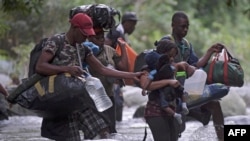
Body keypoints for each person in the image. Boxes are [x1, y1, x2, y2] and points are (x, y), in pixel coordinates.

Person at [35, 13, 142, 141]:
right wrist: (66, 69)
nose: (86, 37)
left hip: (79, 100)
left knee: (103, 131)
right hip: (59, 102)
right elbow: (40, 66)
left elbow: (103, 69)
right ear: (74, 28)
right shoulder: (56, 41)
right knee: (71, 137)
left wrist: (133, 75)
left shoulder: (83, 48)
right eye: (83, 33)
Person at [161, 11, 225, 140]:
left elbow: (195, 65)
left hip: (186, 89)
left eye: (187, 27)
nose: (185, 29)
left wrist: (210, 51)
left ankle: (222, 137)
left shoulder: (186, 44)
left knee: (215, 104)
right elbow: (162, 67)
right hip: (169, 92)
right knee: (177, 129)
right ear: (173, 25)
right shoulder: (166, 42)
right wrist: (182, 66)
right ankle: (197, 115)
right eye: (182, 26)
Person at [140, 40, 190, 141]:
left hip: (172, 111)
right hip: (156, 112)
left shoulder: (172, 68)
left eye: (173, 56)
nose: (171, 59)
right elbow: (147, 86)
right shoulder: (147, 69)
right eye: (169, 56)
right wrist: (168, 82)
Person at [87, 27, 129, 133]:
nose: (101, 40)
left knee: (111, 129)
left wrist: (123, 48)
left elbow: (124, 67)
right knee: (94, 131)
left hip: (108, 96)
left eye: (102, 37)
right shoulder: (84, 50)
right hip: (91, 97)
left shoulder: (109, 50)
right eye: (98, 38)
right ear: (90, 38)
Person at [105, 11, 139, 122]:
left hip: (114, 72)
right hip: (111, 71)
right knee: (116, 102)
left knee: (117, 102)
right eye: (133, 25)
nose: (134, 28)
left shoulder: (120, 33)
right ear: (127, 23)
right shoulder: (117, 33)